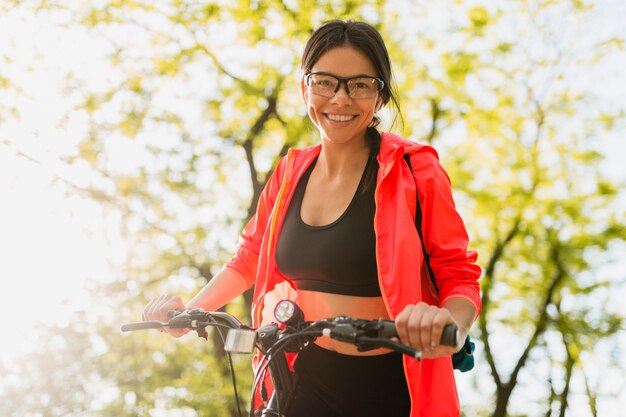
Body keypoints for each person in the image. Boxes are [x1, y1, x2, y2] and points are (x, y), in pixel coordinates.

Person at [143, 19, 481, 417]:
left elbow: (457, 274)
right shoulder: (289, 173)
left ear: (381, 97)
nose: (340, 99)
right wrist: (187, 313)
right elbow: (248, 257)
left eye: (359, 85)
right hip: (302, 375)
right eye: (325, 82)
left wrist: (447, 326)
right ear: (305, 87)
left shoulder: (414, 169)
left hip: (390, 381)